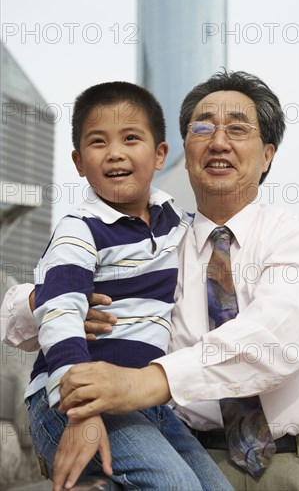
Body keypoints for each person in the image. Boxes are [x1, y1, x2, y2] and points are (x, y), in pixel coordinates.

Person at [1, 71, 299, 491]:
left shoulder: (297, 238)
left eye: (237, 128)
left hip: (290, 468)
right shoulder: (158, 241)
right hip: (170, 450)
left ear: (267, 154)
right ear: (181, 148)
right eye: (202, 128)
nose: (219, 142)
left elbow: (280, 335)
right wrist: (48, 299)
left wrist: (148, 381)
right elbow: (26, 302)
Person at [11, 80, 233, 491]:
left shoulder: (176, 224)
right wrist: (81, 410)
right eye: (98, 142)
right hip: (71, 397)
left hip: (144, 401)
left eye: (131, 138)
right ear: (79, 162)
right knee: (174, 485)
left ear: (160, 153)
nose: (115, 152)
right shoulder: (80, 231)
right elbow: (58, 313)